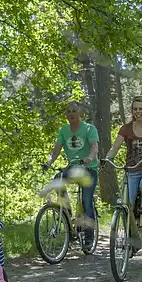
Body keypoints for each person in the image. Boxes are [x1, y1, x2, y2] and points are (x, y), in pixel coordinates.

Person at [41, 101, 99, 252]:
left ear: (80, 113)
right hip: (73, 168)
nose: (71, 114)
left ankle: (89, 237)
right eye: (68, 111)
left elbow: (94, 147)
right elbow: (56, 151)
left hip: (89, 169)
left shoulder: (89, 129)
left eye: (74, 111)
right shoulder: (64, 130)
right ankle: (67, 214)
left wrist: (89, 158)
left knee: (86, 202)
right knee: (57, 179)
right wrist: (48, 162)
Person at [104, 96, 142, 231]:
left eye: (141, 109)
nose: (138, 112)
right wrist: (106, 159)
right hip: (132, 170)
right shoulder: (126, 128)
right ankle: (129, 232)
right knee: (127, 203)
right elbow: (115, 147)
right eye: (135, 109)